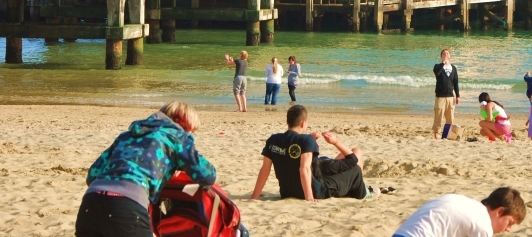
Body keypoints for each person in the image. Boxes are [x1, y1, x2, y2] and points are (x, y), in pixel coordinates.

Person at [75, 101, 216, 237]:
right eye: (192, 131)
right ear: (183, 123)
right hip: (127, 206)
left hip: (90, 203)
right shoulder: (177, 137)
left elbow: (92, 175)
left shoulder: (126, 136)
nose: (191, 135)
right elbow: (207, 175)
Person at [250, 104, 368, 201]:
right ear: (303, 123)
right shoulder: (306, 140)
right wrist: (309, 198)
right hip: (316, 191)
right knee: (356, 170)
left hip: (286, 192)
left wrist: (254, 198)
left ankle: (362, 189)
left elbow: (265, 170)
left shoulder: (273, 140)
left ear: (287, 122)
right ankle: (364, 193)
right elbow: (304, 169)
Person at [393, 188, 526, 236]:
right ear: (500, 211)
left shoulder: (466, 204)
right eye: (510, 222)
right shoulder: (483, 225)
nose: (508, 229)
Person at [432, 48, 460, 138]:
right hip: (440, 96)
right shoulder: (437, 66)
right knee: (438, 116)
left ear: (450, 56)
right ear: (441, 56)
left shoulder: (454, 68)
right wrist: (443, 63)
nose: (446, 55)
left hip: (450, 97)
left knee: (450, 117)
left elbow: (456, 82)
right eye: (444, 53)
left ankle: (447, 134)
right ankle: (436, 133)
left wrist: (458, 95)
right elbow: (437, 73)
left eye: (447, 53)